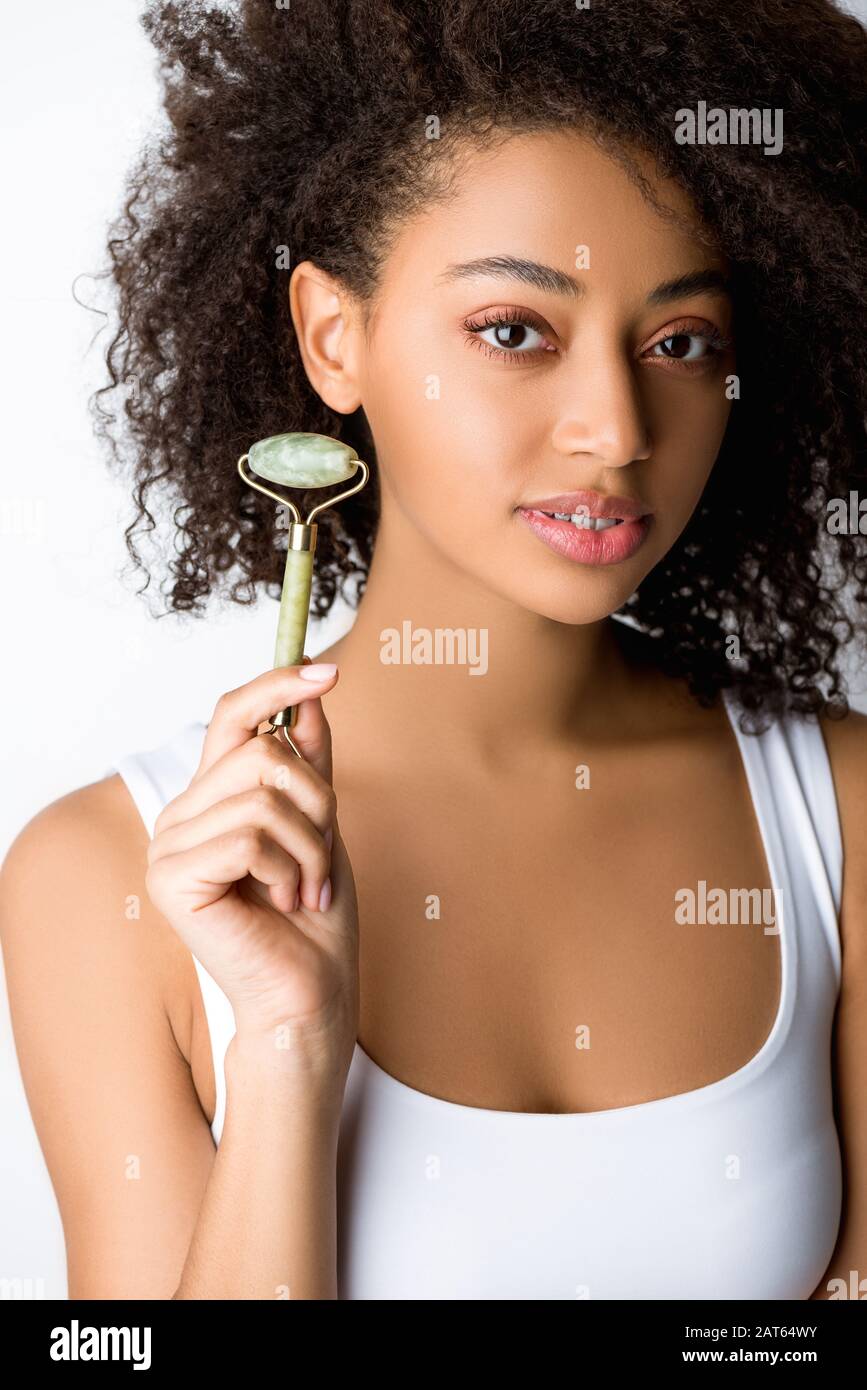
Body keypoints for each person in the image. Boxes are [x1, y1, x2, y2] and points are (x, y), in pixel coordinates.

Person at [2, 0, 866, 1300]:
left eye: (680, 342)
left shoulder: (841, 814)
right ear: (333, 337)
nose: (615, 428)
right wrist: (288, 1046)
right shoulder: (108, 878)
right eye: (516, 329)